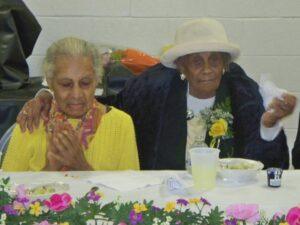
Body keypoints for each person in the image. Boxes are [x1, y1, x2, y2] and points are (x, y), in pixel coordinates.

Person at [16, 18, 296, 170]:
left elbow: (268, 164)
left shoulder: (242, 91)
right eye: (197, 60)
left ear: (225, 64)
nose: (208, 69)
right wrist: (47, 95)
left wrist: (268, 126)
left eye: (215, 60)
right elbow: (98, 102)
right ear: (181, 66)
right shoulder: (154, 89)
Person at [1, 37, 139, 171]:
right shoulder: (32, 120)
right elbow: (6, 191)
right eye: (66, 84)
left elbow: (131, 193)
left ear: (97, 80)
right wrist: (50, 170)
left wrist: (81, 167)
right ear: (50, 82)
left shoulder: (120, 124)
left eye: (85, 83)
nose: (76, 94)